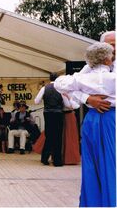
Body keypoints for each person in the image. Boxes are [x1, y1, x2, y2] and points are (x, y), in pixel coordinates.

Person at [54, 42, 115, 207]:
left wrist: (85, 98)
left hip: (92, 119)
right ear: (108, 60)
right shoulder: (113, 77)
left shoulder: (82, 78)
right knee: (111, 162)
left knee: (90, 164)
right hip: (111, 119)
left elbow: (59, 84)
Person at [34, 73, 66, 166]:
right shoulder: (61, 89)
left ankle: (44, 159)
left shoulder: (45, 88)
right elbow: (67, 104)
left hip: (47, 113)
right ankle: (57, 161)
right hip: (58, 114)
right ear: (58, 79)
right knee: (58, 137)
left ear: (50, 79)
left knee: (49, 136)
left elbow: (36, 101)